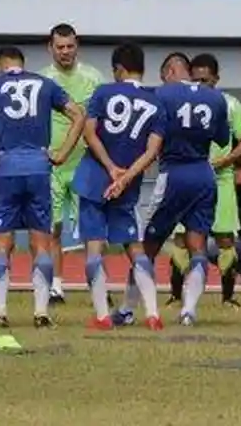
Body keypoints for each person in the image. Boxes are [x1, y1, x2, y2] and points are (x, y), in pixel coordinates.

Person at [0, 46, 84, 328]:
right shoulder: (45, 84)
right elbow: (78, 115)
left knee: (2, 243)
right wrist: (63, 153)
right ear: (22, 63)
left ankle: (0, 312)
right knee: (41, 243)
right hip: (39, 168)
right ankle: (41, 312)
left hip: (7, 168)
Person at [131, 52, 229, 327]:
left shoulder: (163, 95)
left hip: (173, 174)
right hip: (203, 174)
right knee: (197, 245)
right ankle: (189, 310)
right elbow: (222, 138)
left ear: (170, 72)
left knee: (146, 246)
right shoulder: (215, 97)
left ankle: (129, 308)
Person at [75, 44, 166, 330]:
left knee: (93, 248)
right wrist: (125, 177)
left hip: (94, 178)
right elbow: (153, 150)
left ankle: (103, 315)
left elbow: (89, 132)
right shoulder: (156, 102)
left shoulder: (103, 92)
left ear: (118, 70)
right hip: (127, 186)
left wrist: (110, 167)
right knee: (135, 248)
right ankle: (153, 313)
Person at [167, 53, 241, 309]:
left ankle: (227, 297)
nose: (202, 85)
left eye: (207, 80)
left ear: (216, 78)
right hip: (190, 176)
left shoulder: (230, 104)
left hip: (221, 180)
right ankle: (176, 295)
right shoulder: (181, 102)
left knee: (225, 239)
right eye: (197, 80)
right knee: (181, 238)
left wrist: (226, 161)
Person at [38, 23, 103, 304]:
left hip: (83, 162)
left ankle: (97, 286)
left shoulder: (94, 78)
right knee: (51, 227)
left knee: (92, 228)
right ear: (50, 48)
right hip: (51, 163)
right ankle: (56, 287)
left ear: (77, 46)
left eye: (70, 46)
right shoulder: (41, 80)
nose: (65, 52)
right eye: (60, 47)